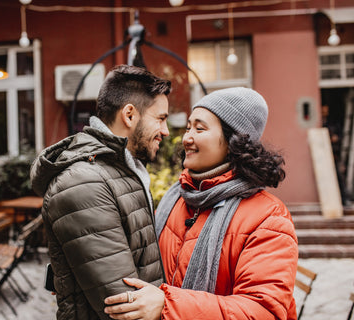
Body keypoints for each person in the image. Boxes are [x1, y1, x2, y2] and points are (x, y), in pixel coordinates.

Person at [104, 87, 299, 320]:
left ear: (233, 141)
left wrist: (168, 306)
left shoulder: (269, 218)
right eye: (188, 127)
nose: (186, 138)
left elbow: (263, 312)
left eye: (200, 128)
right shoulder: (177, 198)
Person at [30, 64, 171, 320]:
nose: (165, 131)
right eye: (160, 119)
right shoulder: (84, 183)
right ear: (129, 115)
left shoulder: (125, 172)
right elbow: (124, 307)